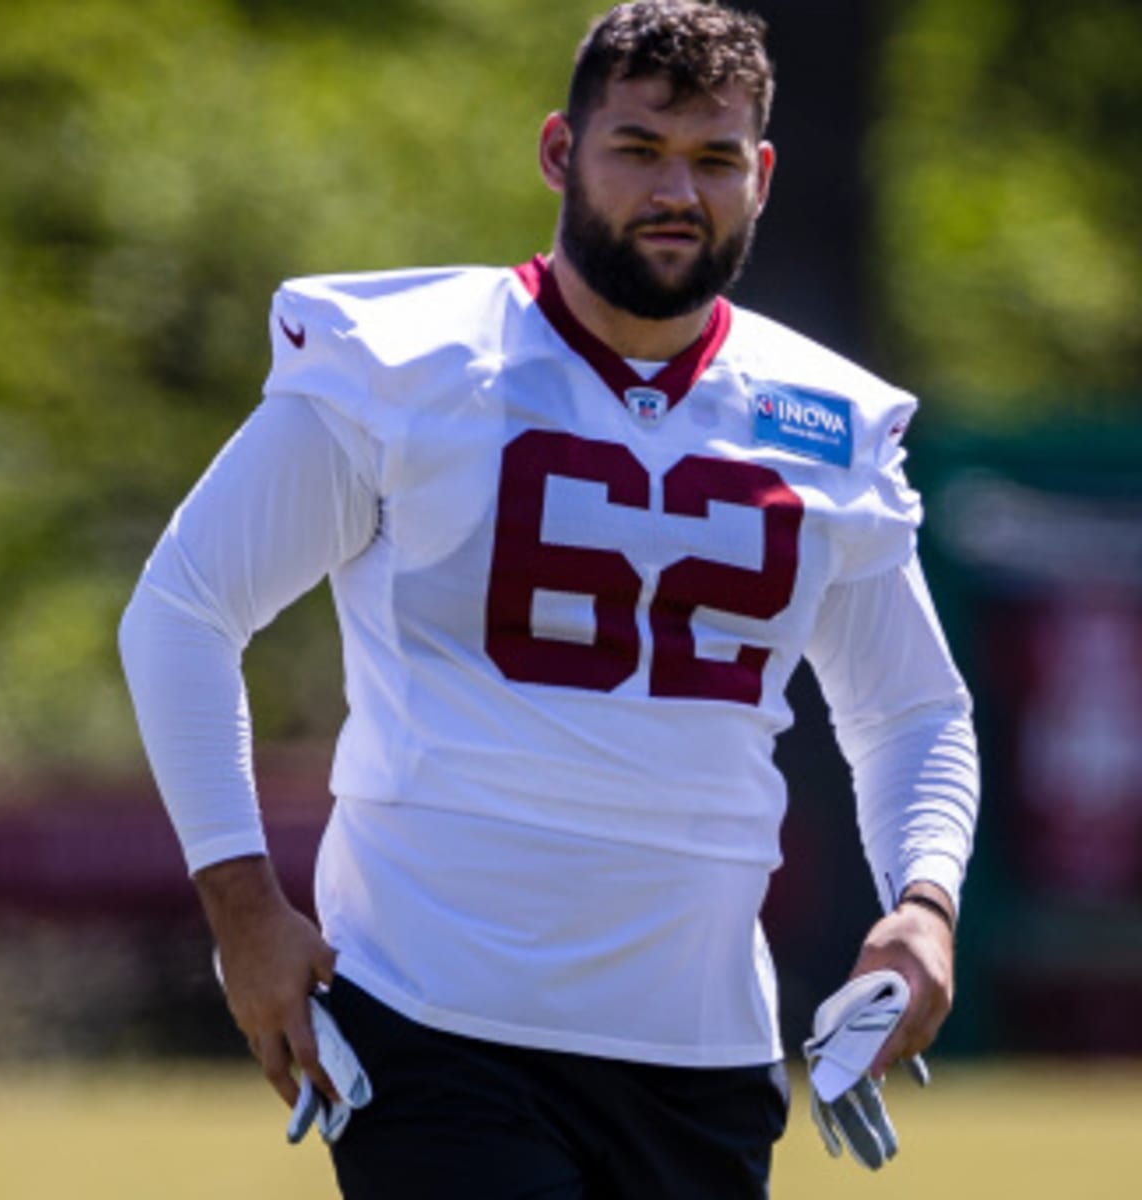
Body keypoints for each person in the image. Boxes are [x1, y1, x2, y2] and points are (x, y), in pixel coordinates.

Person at [119, 2, 978, 1196]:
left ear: (762, 176)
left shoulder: (823, 421)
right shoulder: (407, 363)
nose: (677, 189)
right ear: (559, 153)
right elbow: (182, 609)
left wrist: (924, 904)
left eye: (715, 159)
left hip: (702, 1048)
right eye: (638, 148)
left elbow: (913, 711)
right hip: (436, 1024)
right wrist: (242, 910)